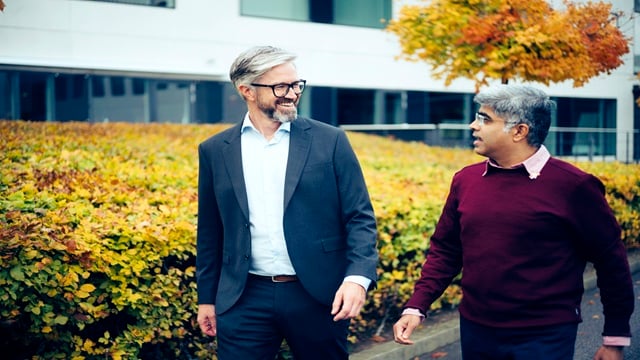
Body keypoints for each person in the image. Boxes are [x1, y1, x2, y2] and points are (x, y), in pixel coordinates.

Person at [392, 84, 635, 360]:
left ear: (520, 131)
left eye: (485, 119)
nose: (473, 125)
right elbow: (446, 250)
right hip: (476, 330)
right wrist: (416, 306)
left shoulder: (574, 186)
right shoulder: (465, 180)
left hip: (545, 336)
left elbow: (611, 262)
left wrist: (614, 338)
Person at [195, 45, 378, 360]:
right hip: (243, 298)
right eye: (281, 86)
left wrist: (357, 279)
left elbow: (359, 217)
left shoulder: (330, 140)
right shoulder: (215, 150)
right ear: (247, 91)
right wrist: (206, 299)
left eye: (296, 85)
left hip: (318, 295)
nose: (292, 93)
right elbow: (210, 231)